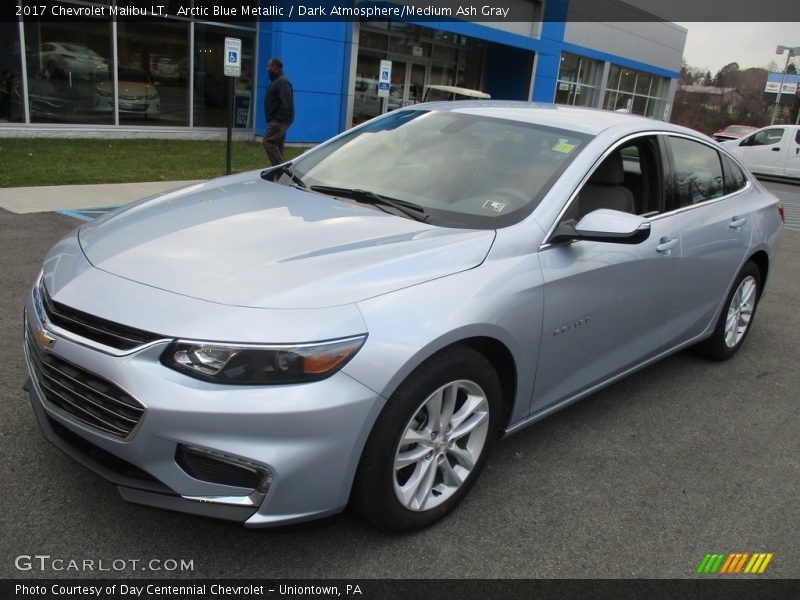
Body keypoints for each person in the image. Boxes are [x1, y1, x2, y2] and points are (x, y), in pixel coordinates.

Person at [262, 58, 294, 166]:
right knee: (277, 144)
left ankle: (281, 170)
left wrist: (278, 119)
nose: (267, 68)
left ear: (275, 68)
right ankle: (280, 175)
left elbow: (286, 103)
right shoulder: (276, 81)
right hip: (277, 120)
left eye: (269, 66)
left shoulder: (282, 82)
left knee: (268, 141)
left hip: (280, 121)